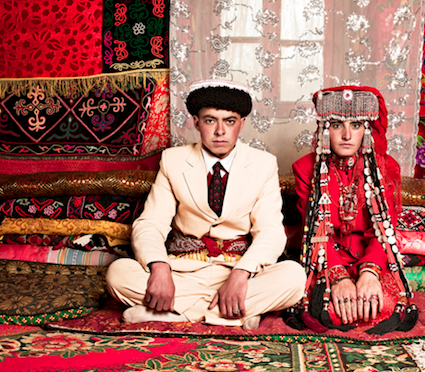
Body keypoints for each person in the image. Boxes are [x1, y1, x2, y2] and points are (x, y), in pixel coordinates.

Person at [106, 79, 306, 330]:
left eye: (229, 121)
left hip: (238, 272)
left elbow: (270, 232)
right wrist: (159, 269)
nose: (220, 131)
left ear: (242, 123)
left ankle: (176, 314)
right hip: (183, 272)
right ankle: (235, 315)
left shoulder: (263, 163)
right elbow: (150, 224)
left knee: (294, 277)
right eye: (211, 120)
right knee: (118, 274)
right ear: (196, 122)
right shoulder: (173, 160)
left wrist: (240, 275)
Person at [287, 85, 417, 335]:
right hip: (327, 259)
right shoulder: (307, 169)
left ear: (366, 130)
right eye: (337, 125)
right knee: (328, 310)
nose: (346, 135)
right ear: (325, 129)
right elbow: (315, 234)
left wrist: (369, 273)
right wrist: (339, 277)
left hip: (370, 257)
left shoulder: (384, 168)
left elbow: (384, 231)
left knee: (382, 306)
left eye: (355, 125)